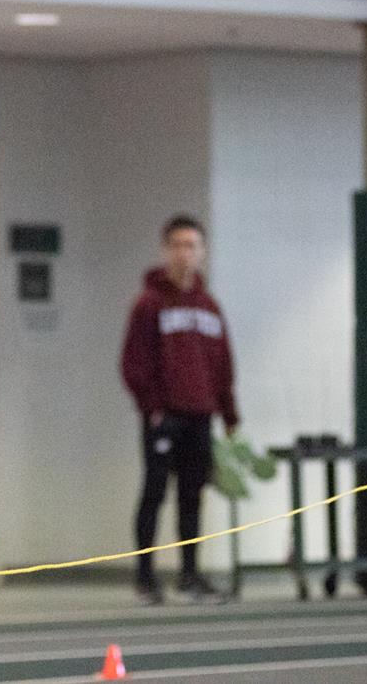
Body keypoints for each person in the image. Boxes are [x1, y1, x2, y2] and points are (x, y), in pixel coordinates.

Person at [120, 215, 239, 606]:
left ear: (202, 252)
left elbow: (222, 365)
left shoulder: (210, 308)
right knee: (155, 493)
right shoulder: (149, 304)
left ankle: (190, 576)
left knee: (193, 497)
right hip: (163, 416)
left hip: (200, 415)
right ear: (165, 250)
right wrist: (152, 407)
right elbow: (133, 363)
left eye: (192, 246)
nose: (185, 253)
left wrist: (229, 415)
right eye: (178, 245)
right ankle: (145, 578)